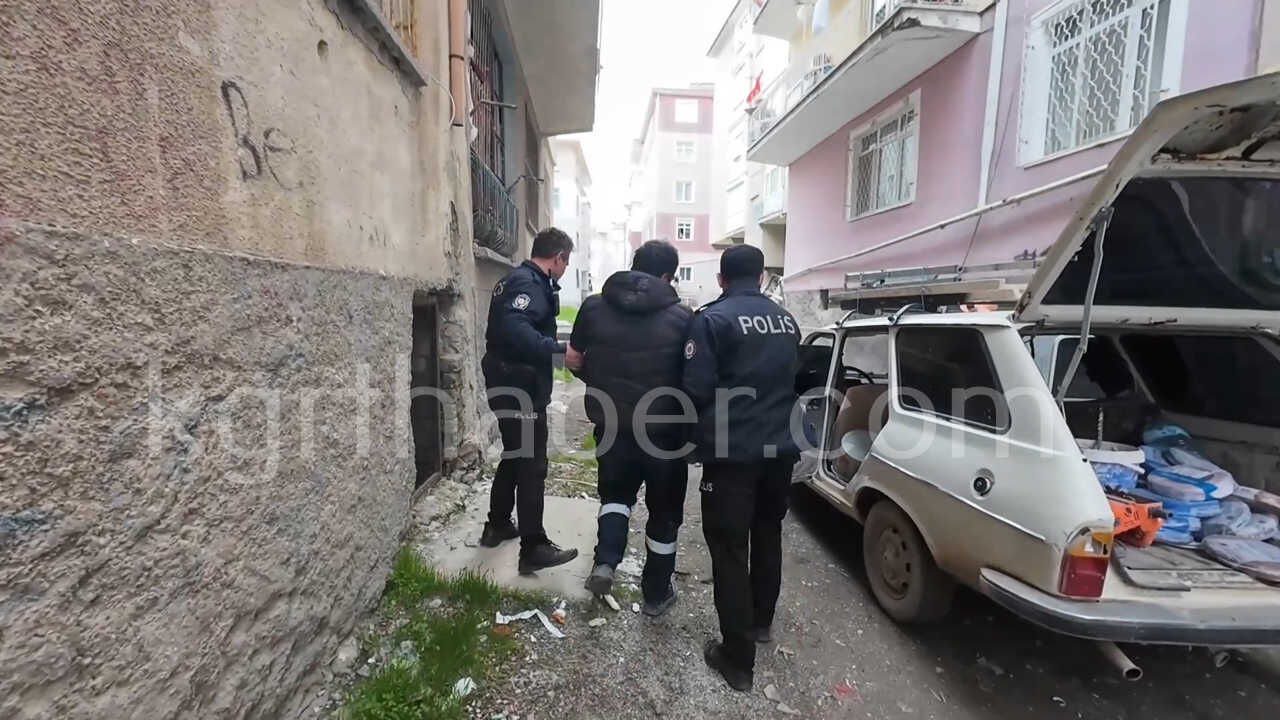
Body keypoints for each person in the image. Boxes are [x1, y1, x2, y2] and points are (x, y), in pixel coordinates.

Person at [682, 244, 800, 692]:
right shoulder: (786, 320)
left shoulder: (712, 320)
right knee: (768, 532)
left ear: (721, 279)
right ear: (762, 276)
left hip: (733, 455)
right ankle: (760, 622)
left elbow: (695, 389)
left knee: (730, 548)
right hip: (779, 449)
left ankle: (737, 659)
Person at [565, 240, 693, 616]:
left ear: (634, 264)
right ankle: (656, 593)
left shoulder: (593, 306)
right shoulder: (684, 318)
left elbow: (573, 359)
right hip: (664, 434)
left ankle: (605, 562)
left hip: (612, 426)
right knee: (664, 512)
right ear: (668, 276)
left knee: (615, 498)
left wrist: (597, 379)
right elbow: (694, 375)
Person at [479, 227, 580, 574]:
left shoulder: (522, 280)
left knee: (514, 455)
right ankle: (533, 547)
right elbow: (516, 333)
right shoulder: (527, 284)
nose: (565, 269)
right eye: (567, 262)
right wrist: (559, 352)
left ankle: (497, 525)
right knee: (532, 465)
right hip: (518, 387)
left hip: (511, 381)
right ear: (559, 258)